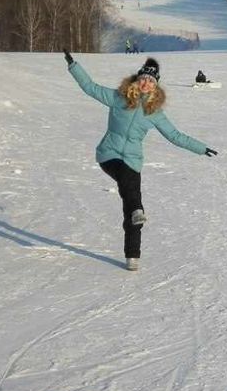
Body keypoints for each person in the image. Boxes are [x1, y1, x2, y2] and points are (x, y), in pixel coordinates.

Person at [64, 51, 218, 271]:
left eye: (151, 80)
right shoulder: (119, 97)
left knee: (132, 204)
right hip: (109, 155)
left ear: (155, 86)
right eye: (144, 78)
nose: (146, 82)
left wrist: (201, 148)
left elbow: (175, 136)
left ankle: (132, 256)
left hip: (133, 161)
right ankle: (137, 210)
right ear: (137, 79)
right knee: (131, 191)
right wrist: (73, 65)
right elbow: (90, 87)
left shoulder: (153, 112)